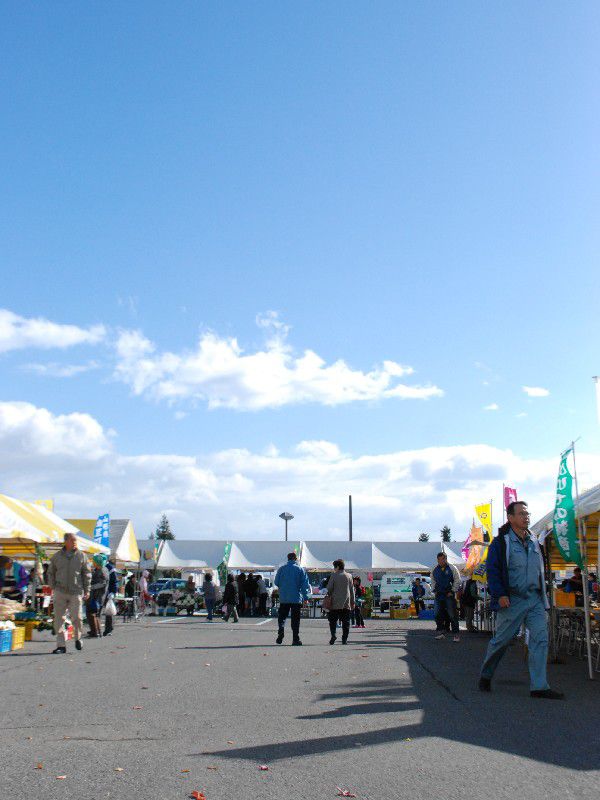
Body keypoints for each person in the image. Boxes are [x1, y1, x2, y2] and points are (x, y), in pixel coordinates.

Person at [479, 500, 564, 699]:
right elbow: (493, 571)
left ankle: (539, 686)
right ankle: (486, 674)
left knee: (540, 639)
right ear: (510, 518)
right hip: (512, 600)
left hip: (534, 599)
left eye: (527, 513)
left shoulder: (535, 540)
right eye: (521, 514)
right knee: (501, 641)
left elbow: (540, 570)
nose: (526, 517)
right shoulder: (501, 543)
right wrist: (500, 594)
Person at [48, 533, 90, 654]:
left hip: (76, 591)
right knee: (58, 619)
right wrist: (53, 586)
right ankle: (61, 645)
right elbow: (51, 572)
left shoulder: (82, 556)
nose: (75, 542)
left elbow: (87, 575)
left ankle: (78, 638)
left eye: (76, 540)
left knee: (76, 618)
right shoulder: (57, 557)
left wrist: (87, 590)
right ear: (66, 541)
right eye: (73, 540)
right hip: (60, 591)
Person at [274, 552, 310, 645]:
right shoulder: (300, 570)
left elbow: (276, 582)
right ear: (295, 558)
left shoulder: (281, 569)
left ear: (288, 558)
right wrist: (306, 598)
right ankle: (295, 639)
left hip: (284, 598)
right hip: (296, 598)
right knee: (295, 619)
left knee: (282, 617)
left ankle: (281, 629)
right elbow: (304, 585)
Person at [431, 552, 461, 642]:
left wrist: (452, 591)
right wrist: (434, 590)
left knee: (452, 615)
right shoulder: (434, 569)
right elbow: (432, 580)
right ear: (437, 560)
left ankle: (456, 635)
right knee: (437, 614)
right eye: (439, 559)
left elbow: (457, 579)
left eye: (442, 559)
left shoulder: (452, 568)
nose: (441, 561)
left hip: (449, 594)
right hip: (439, 594)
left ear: (446, 559)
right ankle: (441, 632)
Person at [326, 560, 355, 645]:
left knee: (333, 621)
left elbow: (329, 588)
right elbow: (352, 590)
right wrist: (353, 602)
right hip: (346, 603)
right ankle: (344, 639)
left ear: (338, 567)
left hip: (335, 603)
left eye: (334, 567)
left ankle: (333, 635)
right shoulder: (349, 576)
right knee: (346, 622)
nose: (334, 569)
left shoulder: (334, 575)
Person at [87, 554, 109, 638]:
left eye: (94, 561)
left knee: (93, 613)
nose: (93, 563)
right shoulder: (99, 569)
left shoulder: (103, 570)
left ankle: (96, 632)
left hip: (98, 596)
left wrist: (91, 587)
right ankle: (96, 632)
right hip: (96, 596)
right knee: (95, 614)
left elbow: (103, 583)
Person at [103, 557, 119, 636]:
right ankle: (98, 630)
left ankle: (109, 629)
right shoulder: (98, 568)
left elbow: (115, 581)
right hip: (100, 593)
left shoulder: (110, 568)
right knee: (100, 612)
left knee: (109, 611)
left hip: (108, 593)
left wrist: (113, 592)